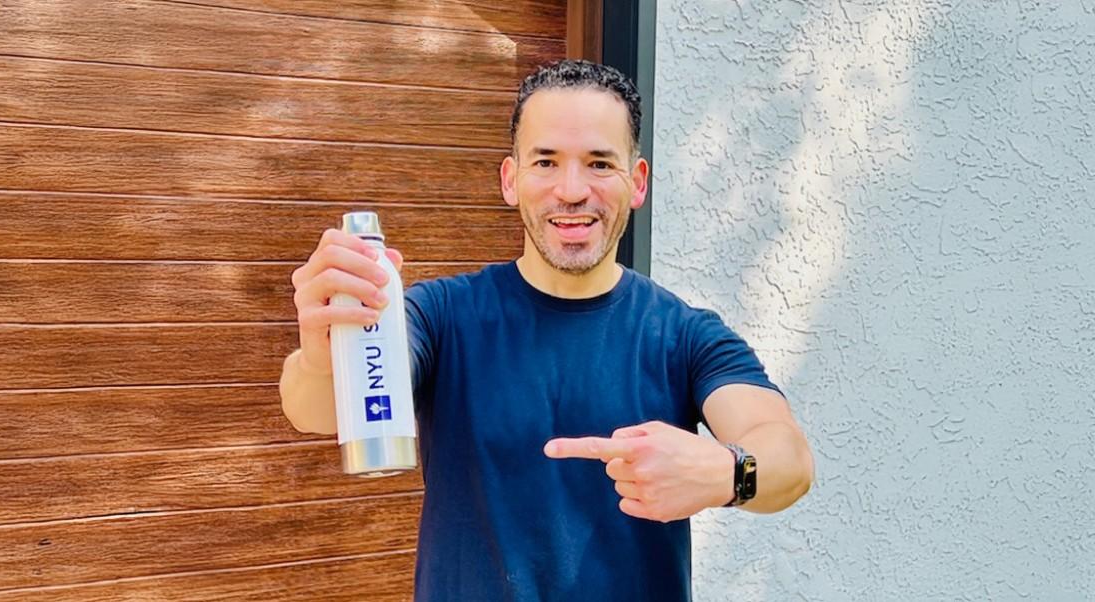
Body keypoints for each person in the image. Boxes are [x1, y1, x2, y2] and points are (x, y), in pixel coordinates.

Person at [280, 59, 814, 601]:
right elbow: (317, 411)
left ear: (637, 182)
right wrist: (323, 355)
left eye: (599, 163)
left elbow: (789, 459)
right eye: (546, 161)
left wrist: (726, 472)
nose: (572, 190)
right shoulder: (441, 315)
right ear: (511, 180)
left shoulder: (684, 335)